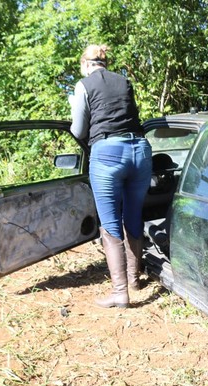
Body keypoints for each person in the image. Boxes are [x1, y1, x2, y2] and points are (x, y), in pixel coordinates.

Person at [70, 44, 152, 308]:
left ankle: (119, 293)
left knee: (110, 224)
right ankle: (134, 279)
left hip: (107, 154)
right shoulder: (124, 82)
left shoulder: (84, 85)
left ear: (85, 64)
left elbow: (79, 130)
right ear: (105, 63)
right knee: (134, 214)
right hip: (140, 151)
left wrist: (75, 107)